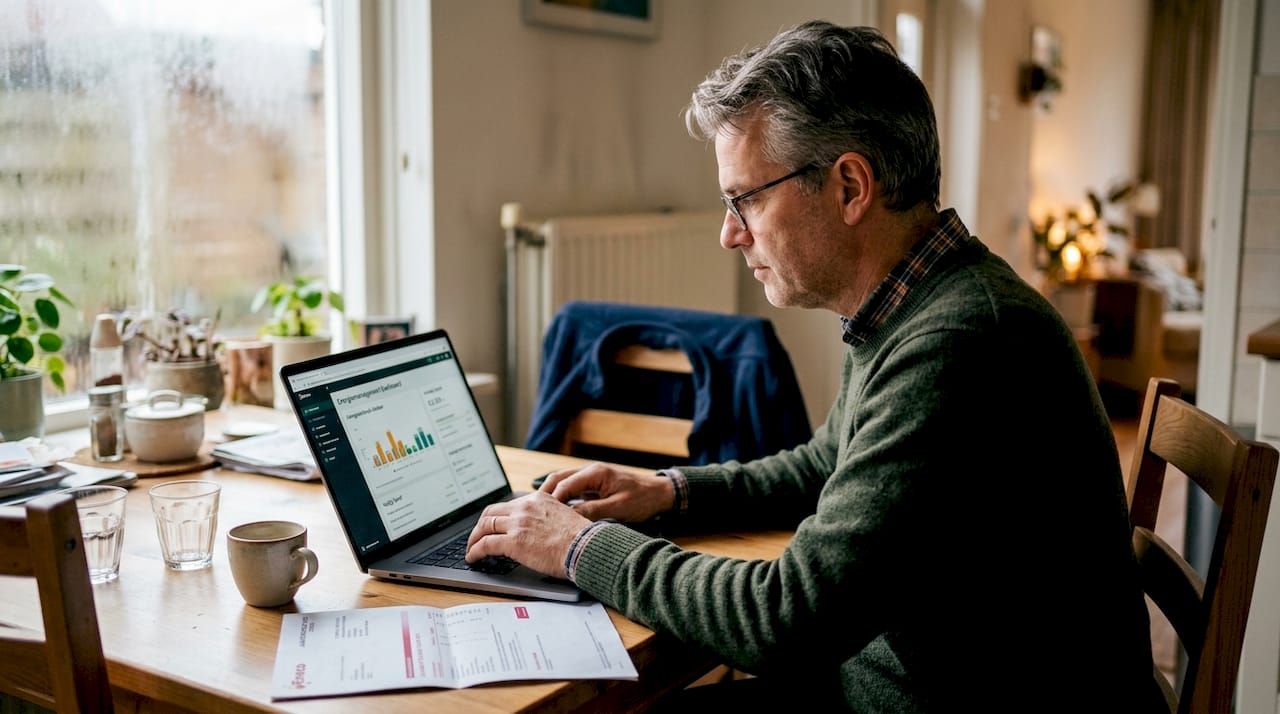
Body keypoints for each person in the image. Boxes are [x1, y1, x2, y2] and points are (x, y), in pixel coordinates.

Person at [467, 20, 1154, 711]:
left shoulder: (961, 340)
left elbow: (785, 618)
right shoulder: (915, 303)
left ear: (850, 186)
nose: (730, 232)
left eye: (747, 199)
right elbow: (826, 462)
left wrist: (585, 548)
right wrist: (669, 491)